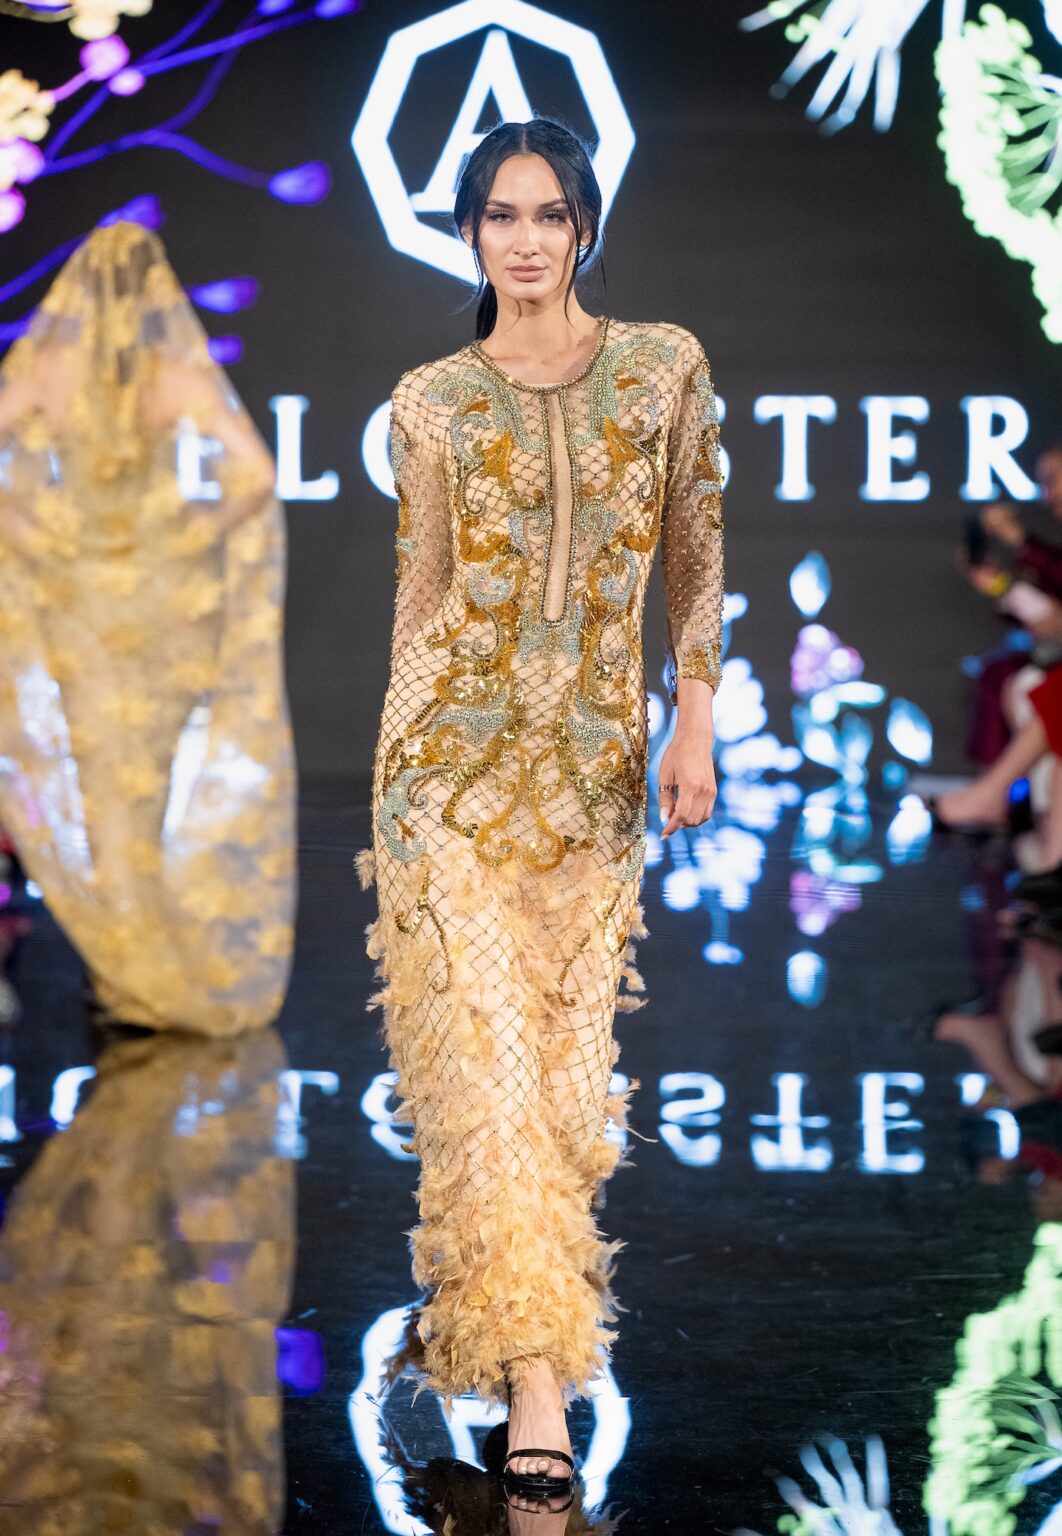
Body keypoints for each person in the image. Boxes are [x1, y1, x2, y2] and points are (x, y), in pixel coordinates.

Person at [354, 117, 724, 1495]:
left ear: (585, 228)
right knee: (487, 1077)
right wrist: (396, 792)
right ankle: (532, 1387)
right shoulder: (433, 397)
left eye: (548, 215)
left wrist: (692, 718)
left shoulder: (660, 368)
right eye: (499, 215)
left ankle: (531, 1339)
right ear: (470, 234)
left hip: (590, 780)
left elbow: (695, 554)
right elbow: (422, 601)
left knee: (564, 1087)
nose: (523, 238)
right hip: (446, 775)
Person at [0, 221, 296, 1035]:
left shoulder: (48, 369)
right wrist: (185, 535)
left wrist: (36, 530)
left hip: (84, 601)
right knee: (149, 789)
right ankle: (132, 970)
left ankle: (121, 971)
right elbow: (258, 475)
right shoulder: (172, 373)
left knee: (104, 793)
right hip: (162, 606)